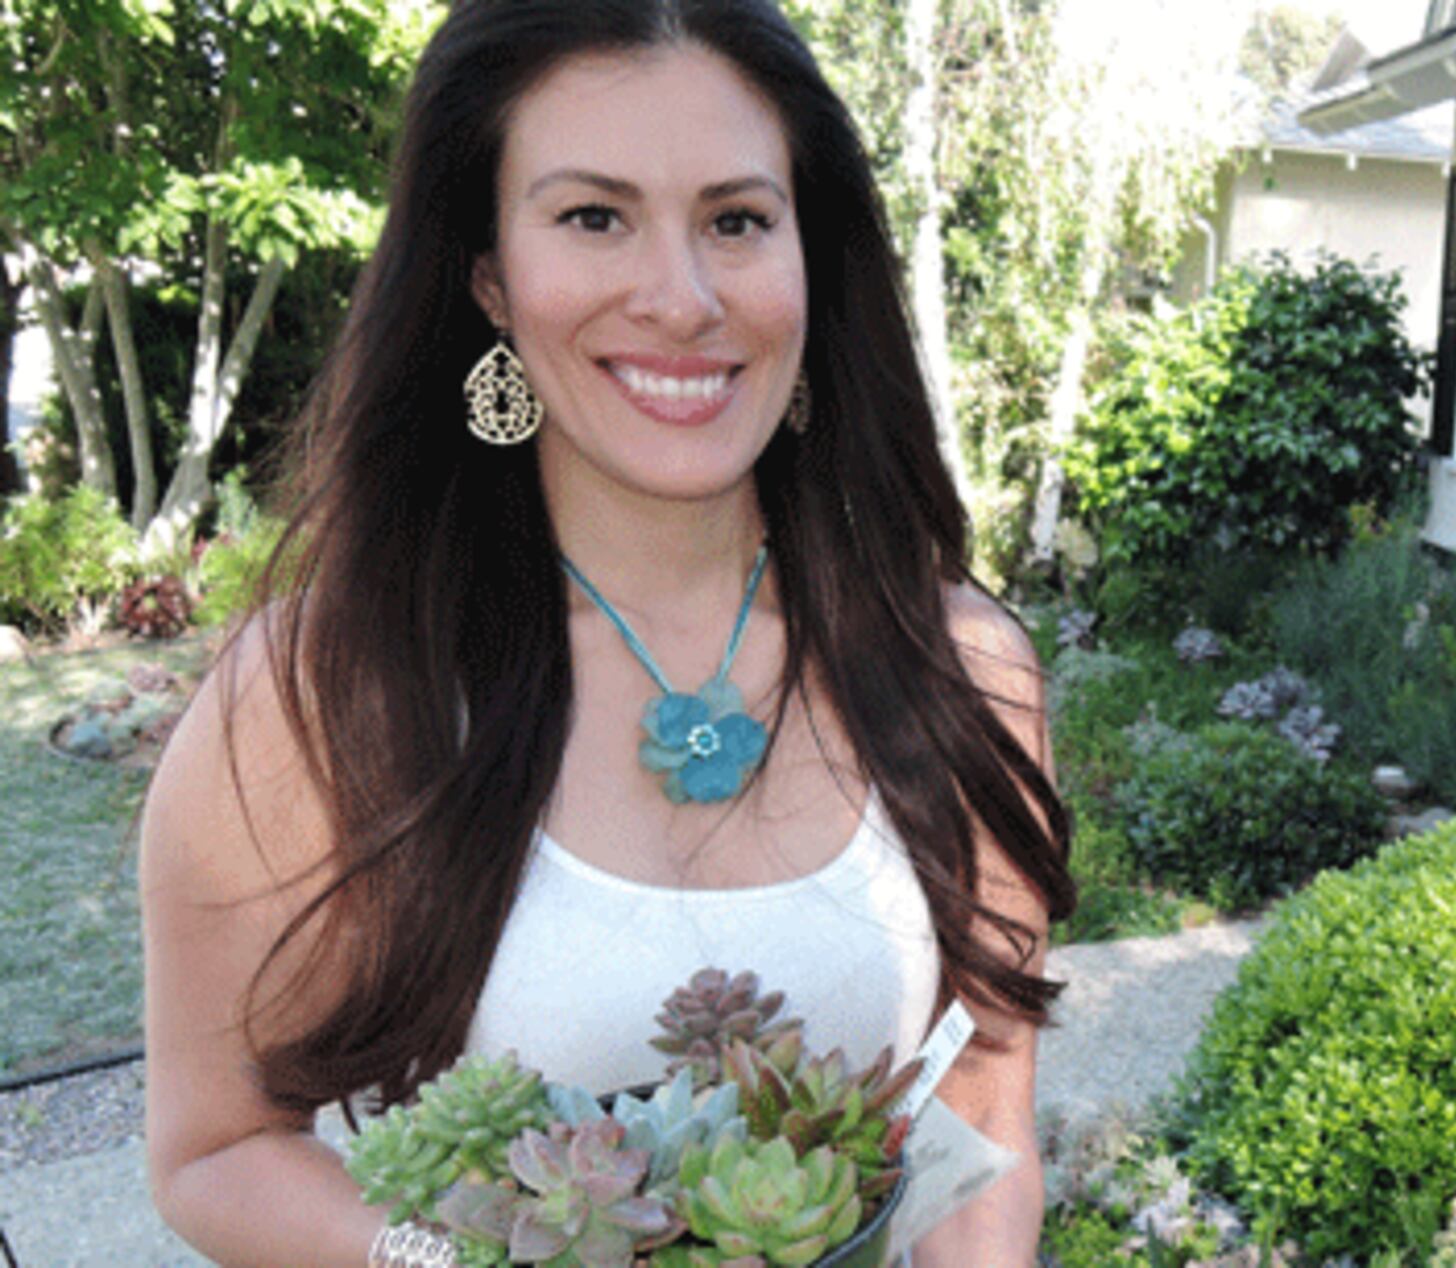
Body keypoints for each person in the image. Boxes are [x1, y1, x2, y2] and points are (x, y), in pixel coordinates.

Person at [136, 1, 1073, 1262]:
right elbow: (215, 1146)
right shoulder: (328, 691)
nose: (682, 299)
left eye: (737, 221)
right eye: (593, 217)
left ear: (812, 258)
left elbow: (981, 1103)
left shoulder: (962, 671)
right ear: (488, 278)